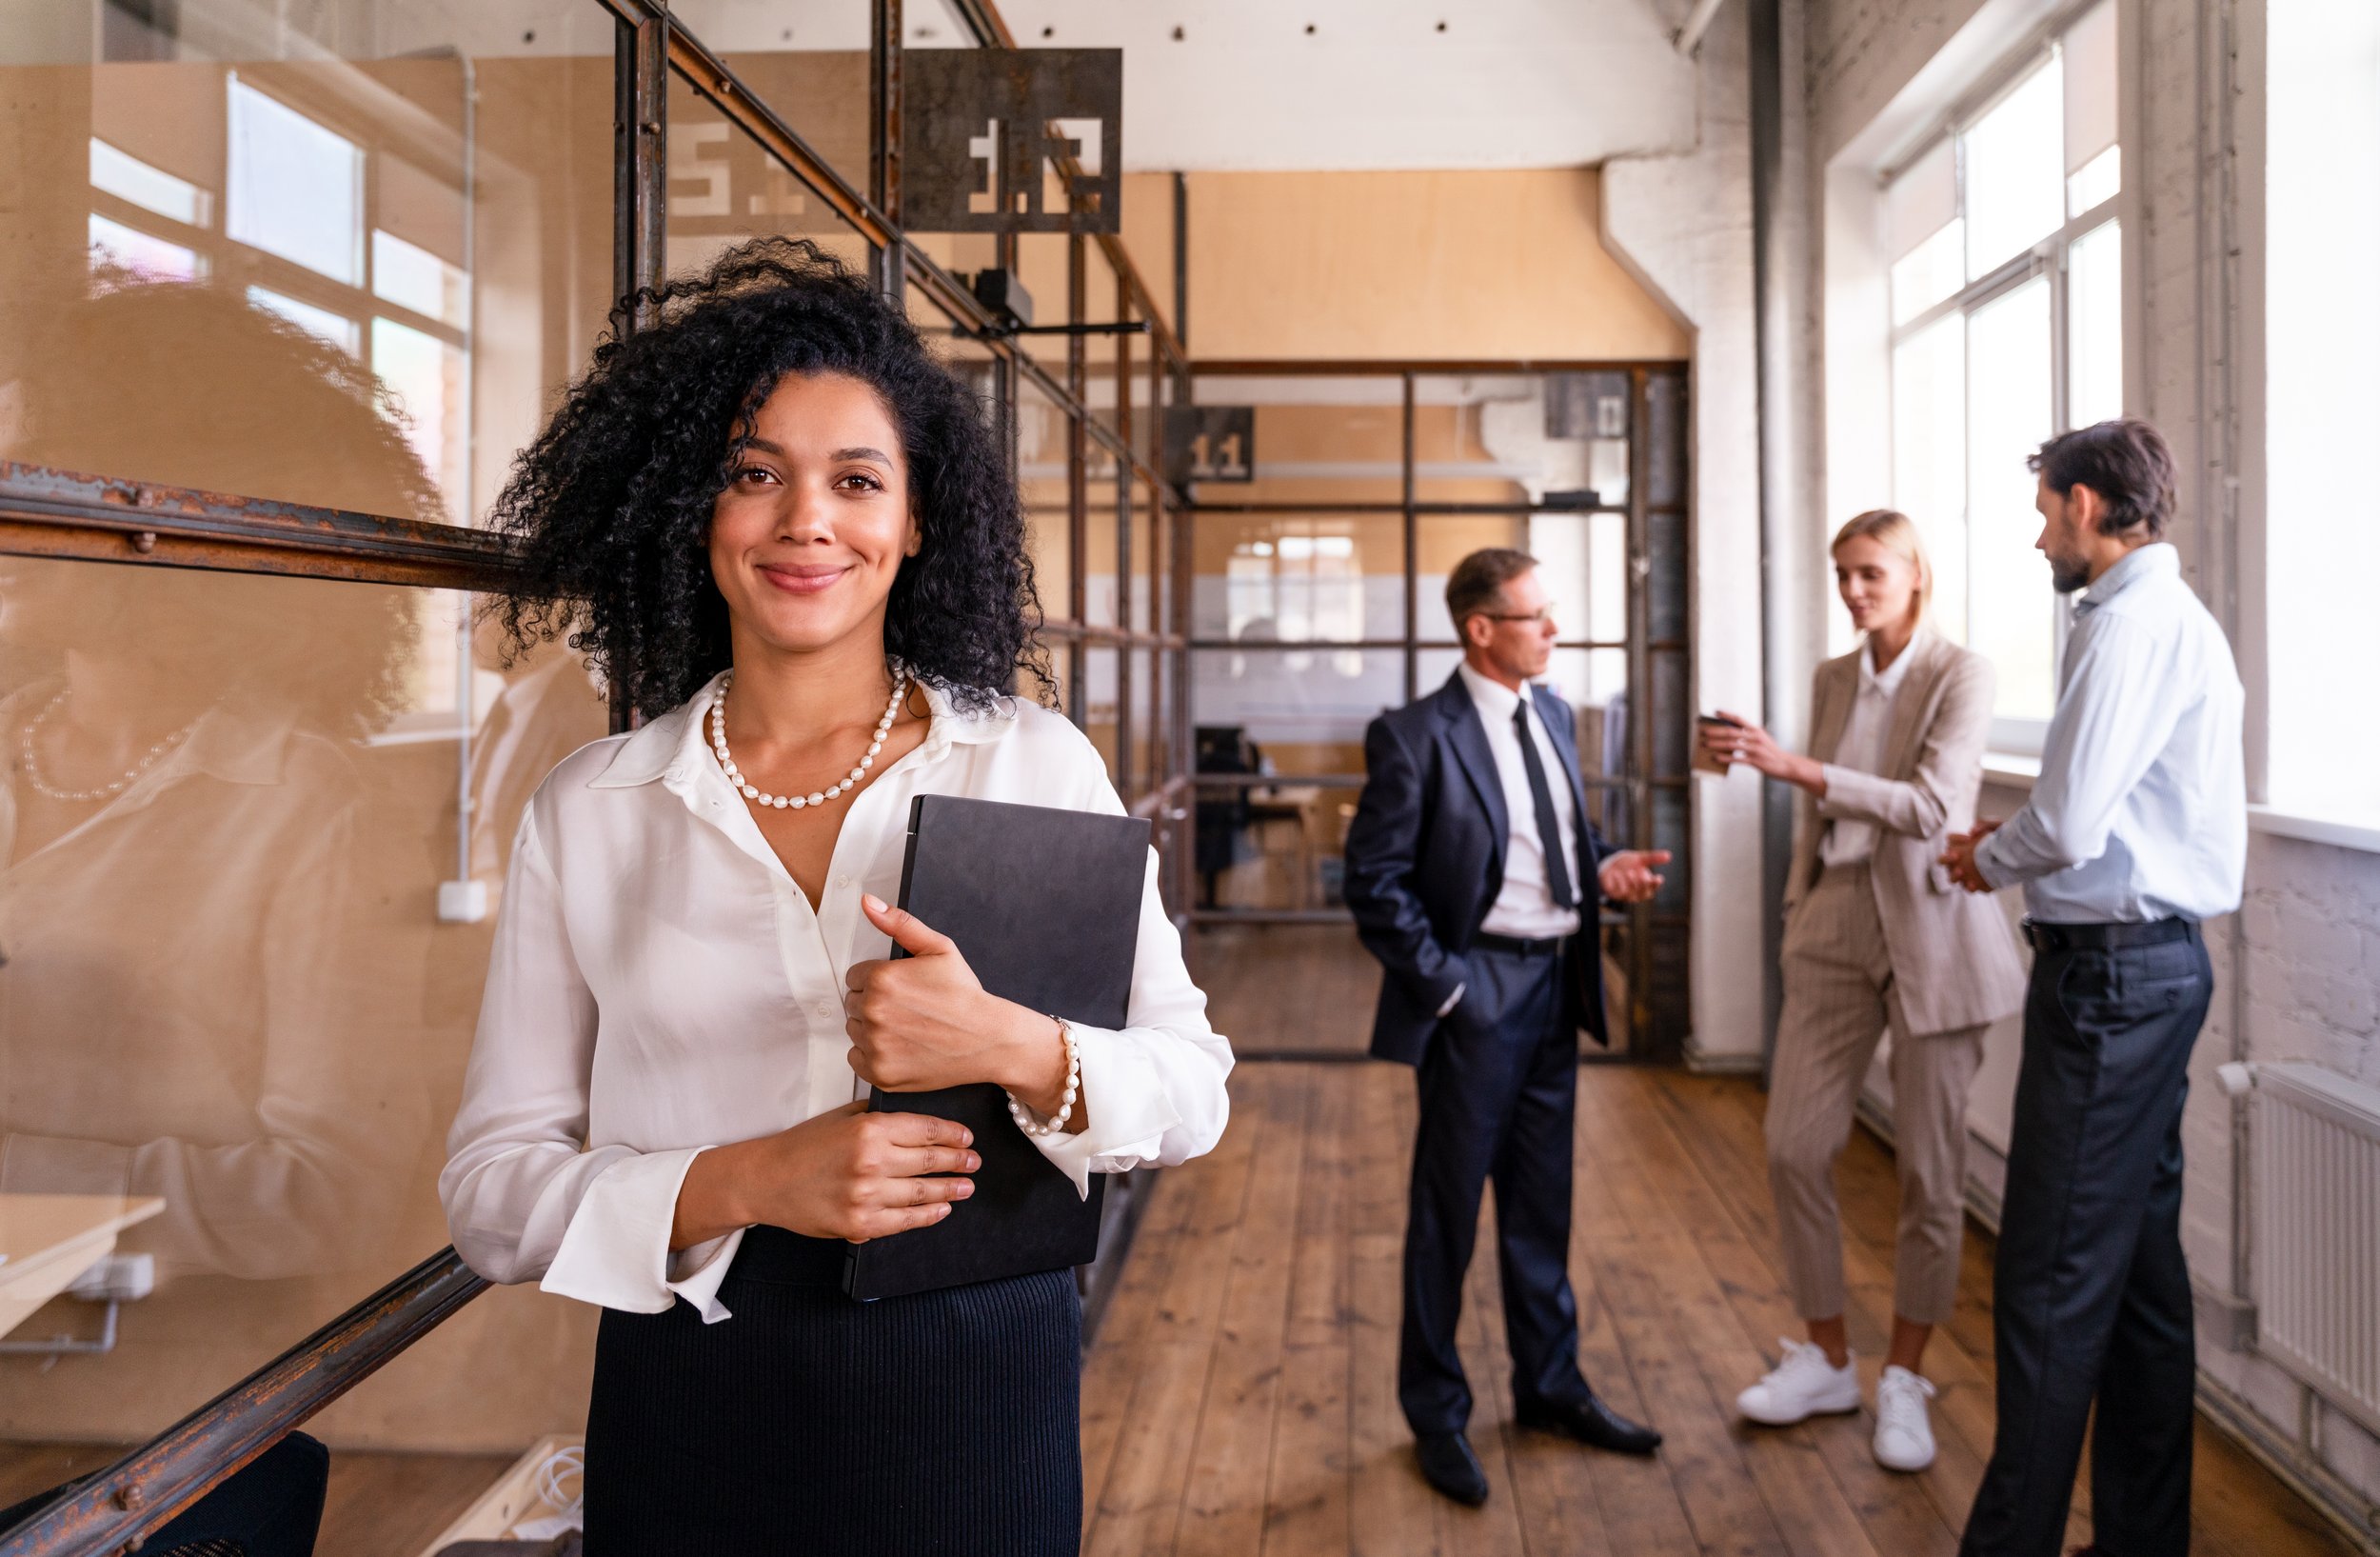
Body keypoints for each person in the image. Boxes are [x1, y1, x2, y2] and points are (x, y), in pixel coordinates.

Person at [439, 239, 1234, 1556]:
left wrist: (1015, 1048)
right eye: (755, 475)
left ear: (914, 519)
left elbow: (1192, 1088)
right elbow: (491, 1190)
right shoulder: (594, 805)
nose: (807, 519)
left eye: (856, 480)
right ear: (693, 508)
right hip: (694, 1389)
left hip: (979, 1390)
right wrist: (757, 1174)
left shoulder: (1034, 761)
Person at [1940, 418, 2243, 1557]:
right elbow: (2094, 814)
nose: (2035, 539)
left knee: (2050, 1283)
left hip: (2112, 988)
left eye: (2041, 512)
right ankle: (2138, 1543)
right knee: (2140, 1283)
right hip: (2145, 977)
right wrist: (2012, 847)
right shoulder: (2153, 619)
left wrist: (1985, 858)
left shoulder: (2131, 626)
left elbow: (2063, 824)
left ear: (2084, 506)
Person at [1342, 547, 1672, 1507]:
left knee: (1541, 1207)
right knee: (1446, 1217)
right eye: (1535, 617)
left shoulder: (1555, 714)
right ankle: (1436, 1413)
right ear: (1481, 629)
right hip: (1475, 994)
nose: (1553, 631)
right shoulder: (1412, 736)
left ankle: (1550, 1389)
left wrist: (1602, 866)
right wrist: (1449, 989)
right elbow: (1376, 883)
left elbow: (1552, 839)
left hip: (1556, 987)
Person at [1699, 510, 2025, 1472]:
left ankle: (1905, 1378)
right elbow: (1827, 804)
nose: (1851, 591)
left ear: (1914, 574)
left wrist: (1793, 766)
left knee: (1930, 1174)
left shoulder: (1961, 672)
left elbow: (1931, 808)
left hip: (1931, 926)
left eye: (1869, 572)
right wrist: (1797, 901)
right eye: (1841, 573)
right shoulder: (1832, 676)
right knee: (1794, 1146)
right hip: (1836, 917)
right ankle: (1830, 1359)